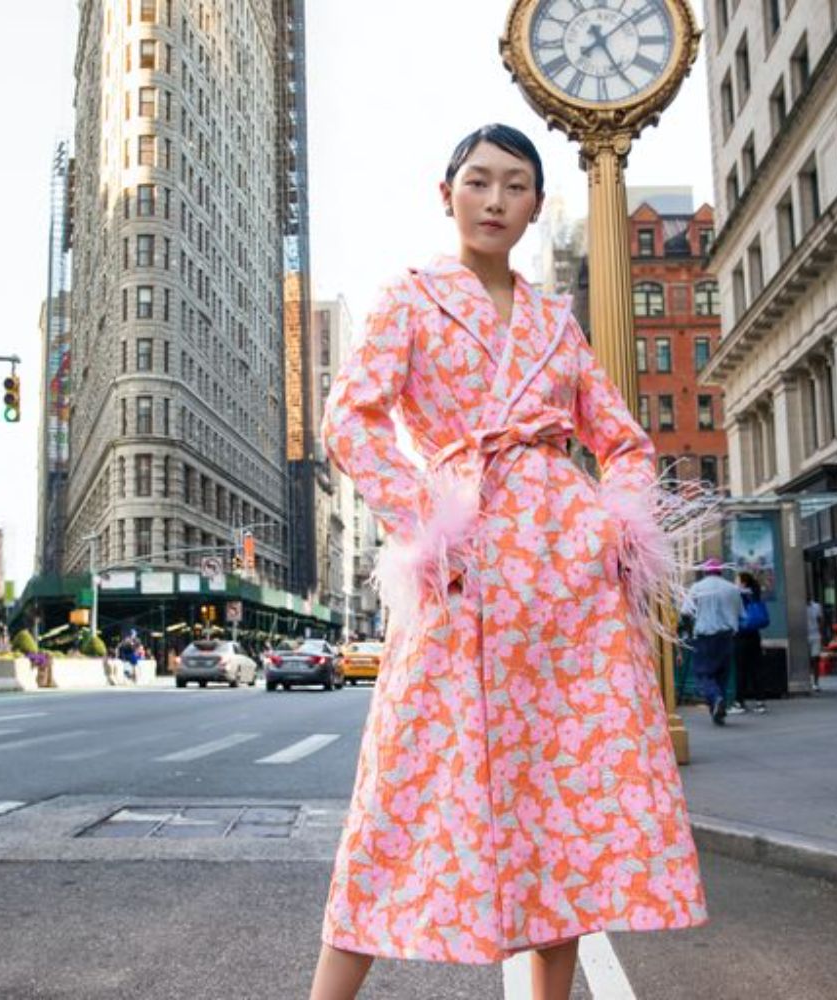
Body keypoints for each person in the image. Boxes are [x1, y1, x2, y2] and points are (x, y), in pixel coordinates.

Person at [309, 124, 707, 1000]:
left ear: (533, 206)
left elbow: (627, 442)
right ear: (445, 192)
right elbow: (350, 420)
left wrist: (614, 530)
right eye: (479, 181)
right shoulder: (408, 300)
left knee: (559, 800)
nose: (495, 200)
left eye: (516, 185)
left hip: (568, 587)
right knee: (405, 786)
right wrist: (430, 522)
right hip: (463, 572)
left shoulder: (555, 326)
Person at [681, 558, 744, 726]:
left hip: (704, 637)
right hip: (727, 636)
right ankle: (718, 710)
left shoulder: (697, 588)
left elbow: (686, 612)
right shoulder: (732, 589)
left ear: (705, 572)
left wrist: (688, 632)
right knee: (722, 674)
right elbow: (740, 613)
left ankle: (716, 699)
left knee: (703, 673)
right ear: (721, 571)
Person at [731, 571, 769, 715]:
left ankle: (739, 702)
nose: (735, 582)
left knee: (741, 670)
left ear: (743, 582)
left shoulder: (738, 595)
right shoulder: (755, 594)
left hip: (740, 635)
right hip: (754, 635)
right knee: (756, 670)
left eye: (736, 579)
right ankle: (760, 702)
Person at [806, 597, 824, 692]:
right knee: (807, 660)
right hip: (804, 636)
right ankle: (808, 681)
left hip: (815, 635)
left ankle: (816, 683)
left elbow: (820, 620)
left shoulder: (816, 606)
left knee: (815, 659)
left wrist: (821, 633)